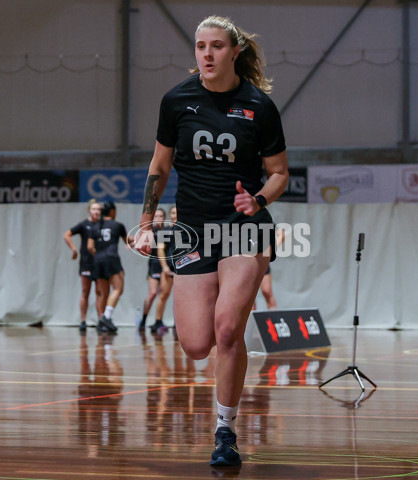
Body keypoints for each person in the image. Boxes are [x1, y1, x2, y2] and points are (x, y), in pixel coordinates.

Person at [135, 16, 288, 467]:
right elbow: (159, 168)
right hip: (193, 229)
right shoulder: (177, 100)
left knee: (227, 328)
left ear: (234, 51)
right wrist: (146, 222)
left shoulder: (259, 106)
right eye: (201, 46)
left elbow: (279, 172)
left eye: (216, 46)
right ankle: (227, 328)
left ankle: (226, 430)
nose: (206, 54)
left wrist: (258, 199)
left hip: (244, 227)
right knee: (197, 344)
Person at [87, 201, 133, 334]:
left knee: (103, 293)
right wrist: (139, 239)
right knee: (118, 289)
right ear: (112, 211)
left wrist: (99, 255)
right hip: (111, 259)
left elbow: (90, 246)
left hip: (98, 260)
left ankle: (101, 320)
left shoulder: (95, 226)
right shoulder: (117, 225)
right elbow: (127, 241)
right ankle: (106, 317)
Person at [63, 200, 102, 331]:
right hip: (86, 263)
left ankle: (101, 320)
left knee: (100, 292)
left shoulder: (104, 225)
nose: (96, 211)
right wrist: (74, 249)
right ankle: (83, 320)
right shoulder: (84, 225)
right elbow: (67, 234)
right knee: (85, 291)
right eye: (94, 209)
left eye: (99, 209)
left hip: (101, 263)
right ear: (89, 211)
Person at [150, 205, 177, 333]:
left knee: (180, 297)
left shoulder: (186, 230)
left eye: (177, 212)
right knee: (163, 295)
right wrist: (165, 267)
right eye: (172, 213)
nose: (175, 215)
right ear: (170, 215)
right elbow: (160, 249)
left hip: (182, 267)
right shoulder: (165, 230)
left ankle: (179, 323)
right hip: (169, 266)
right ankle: (157, 321)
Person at [138, 208, 166, 331]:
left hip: (167, 265)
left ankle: (158, 321)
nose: (158, 219)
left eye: (160, 216)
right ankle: (143, 319)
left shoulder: (168, 231)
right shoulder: (151, 232)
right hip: (154, 265)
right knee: (152, 293)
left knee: (164, 295)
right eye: (156, 216)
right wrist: (132, 242)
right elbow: (139, 240)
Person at [253, 227, 285, 310]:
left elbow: (281, 234)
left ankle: (274, 320)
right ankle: (249, 322)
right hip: (246, 262)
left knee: (267, 291)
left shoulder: (261, 218)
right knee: (248, 297)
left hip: (261, 261)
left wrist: (271, 250)